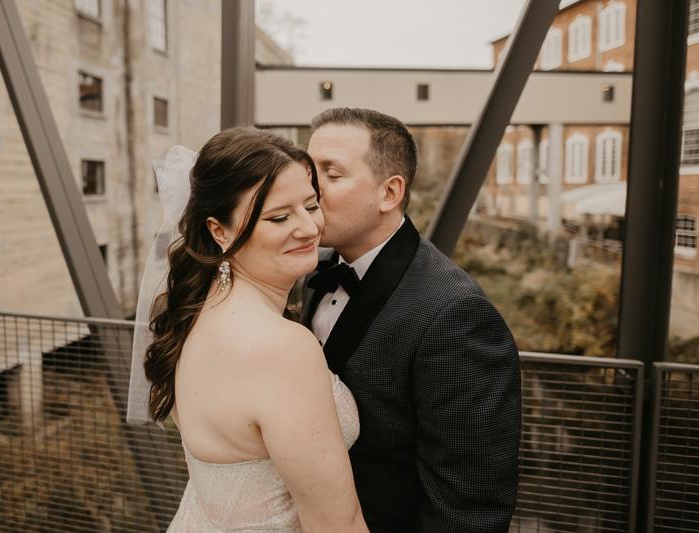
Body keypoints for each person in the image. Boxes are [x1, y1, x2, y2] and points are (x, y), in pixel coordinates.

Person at [128, 126, 368, 533]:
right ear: (219, 231)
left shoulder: (193, 313)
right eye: (279, 216)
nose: (310, 229)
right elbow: (337, 524)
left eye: (311, 206)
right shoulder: (280, 348)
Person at [302, 108, 522, 532]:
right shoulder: (310, 267)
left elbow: (470, 506)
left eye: (331, 174)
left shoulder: (456, 315)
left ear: (390, 193)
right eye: (309, 172)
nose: (311, 191)